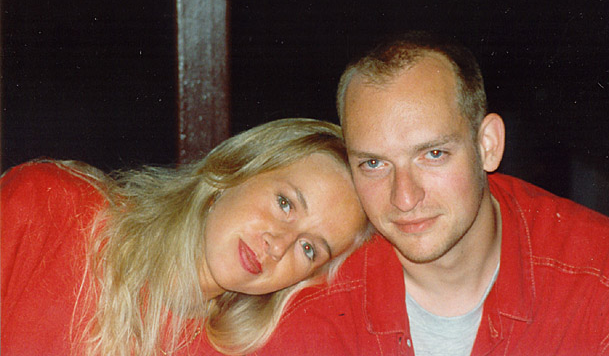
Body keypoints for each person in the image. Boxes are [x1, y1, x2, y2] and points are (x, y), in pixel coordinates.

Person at [254, 32, 609, 356]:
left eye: (433, 154)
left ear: (487, 145)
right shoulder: (312, 297)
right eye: (374, 164)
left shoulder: (600, 269)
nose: (404, 199)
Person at [1, 118, 371, 356]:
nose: (278, 244)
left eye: (309, 249)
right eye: (285, 203)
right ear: (236, 170)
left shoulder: (228, 348)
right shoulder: (50, 209)